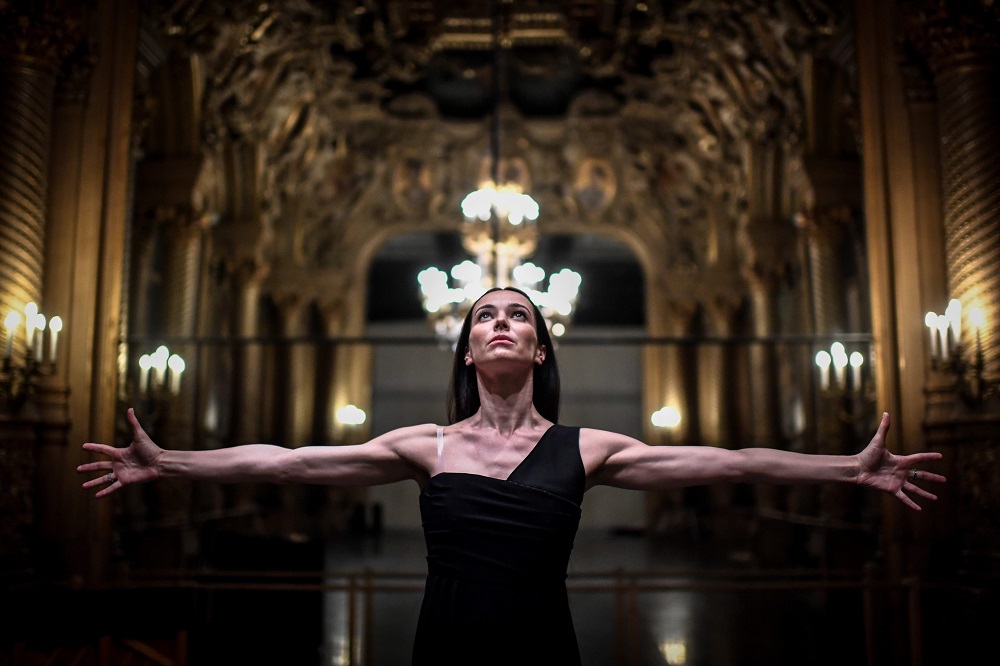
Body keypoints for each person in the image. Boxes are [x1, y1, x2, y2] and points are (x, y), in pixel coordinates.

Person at [79, 286, 946, 666]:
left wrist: (846, 469)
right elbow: (289, 461)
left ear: (539, 346)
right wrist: (169, 462)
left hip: (542, 647)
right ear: (467, 346)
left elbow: (730, 458)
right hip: (445, 645)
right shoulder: (425, 446)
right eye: (485, 315)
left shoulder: (592, 449)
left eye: (517, 316)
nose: (500, 322)